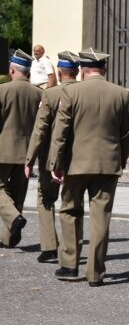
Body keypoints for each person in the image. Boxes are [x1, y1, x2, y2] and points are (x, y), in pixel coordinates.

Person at [48, 48, 129, 286]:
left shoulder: (71, 91)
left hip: (76, 164)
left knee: (69, 211)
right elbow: (127, 133)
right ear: (103, 69)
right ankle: (95, 273)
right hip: (108, 164)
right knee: (101, 218)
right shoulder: (121, 94)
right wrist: (121, 160)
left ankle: (69, 265)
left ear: (83, 70)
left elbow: (61, 132)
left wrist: (56, 162)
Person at [24, 50, 80, 262]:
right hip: (78, 157)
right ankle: (71, 249)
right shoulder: (84, 91)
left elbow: (40, 128)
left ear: (59, 71)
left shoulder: (51, 93)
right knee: (73, 204)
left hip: (50, 157)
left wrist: (30, 159)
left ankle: (49, 247)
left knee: (46, 199)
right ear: (78, 71)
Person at [0, 50, 42, 248]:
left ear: (12, 69)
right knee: (18, 193)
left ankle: (14, 219)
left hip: (3, 149)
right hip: (28, 151)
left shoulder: (3, 90)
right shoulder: (39, 93)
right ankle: (8, 238)